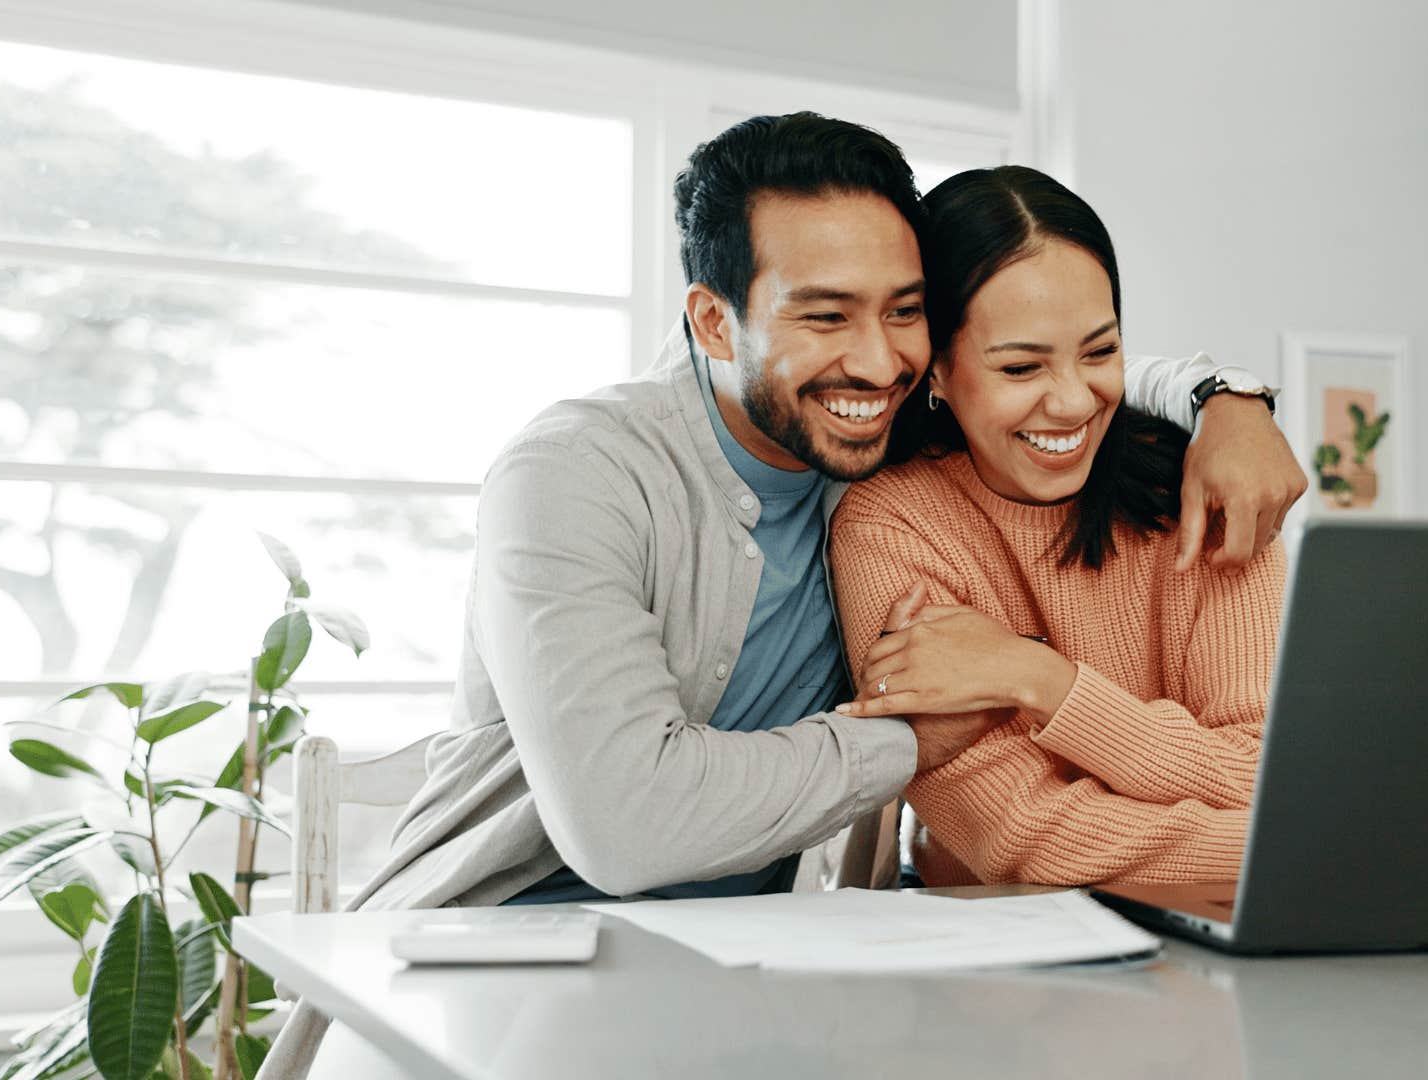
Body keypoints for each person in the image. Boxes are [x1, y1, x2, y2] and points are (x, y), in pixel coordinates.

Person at [261, 114, 1303, 1078]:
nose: (875, 358)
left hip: (741, 974)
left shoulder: (879, 442)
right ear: (714, 322)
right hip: (483, 965)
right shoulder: (578, 472)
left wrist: (1227, 399)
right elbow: (626, 828)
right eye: (824, 316)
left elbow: (1040, 360)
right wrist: (914, 745)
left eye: (902, 313)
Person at [830, 165, 1288, 888]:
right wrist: (1298, 858)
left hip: (1242, 937)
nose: (1074, 401)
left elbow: (1272, 777)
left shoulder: (1206, 493)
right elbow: (1020, 836)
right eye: (1021, 368)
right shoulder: (891, 527)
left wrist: (1039, 678)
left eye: (1101, 352)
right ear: (936, 372)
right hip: (1004, 963)